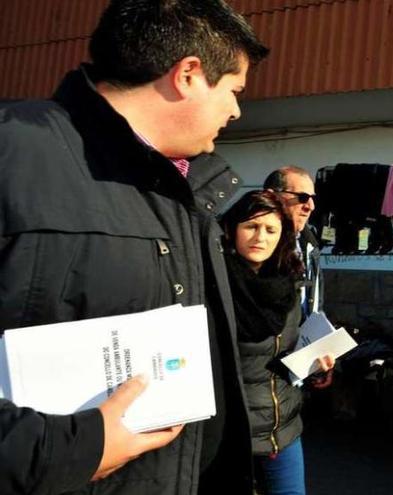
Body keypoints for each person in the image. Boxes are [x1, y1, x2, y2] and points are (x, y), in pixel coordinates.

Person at [0, 1, 268, 494]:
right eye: (234, 91)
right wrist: (63, 450)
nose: (236, 111)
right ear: (188, 74)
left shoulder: (193, 191)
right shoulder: (14, 151)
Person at [221, 190, 334, 495]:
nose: (260, 237)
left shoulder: (287, 284)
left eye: (271, 229)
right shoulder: (213, 286)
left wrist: (315, 369)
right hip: (229, 438)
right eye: (251, 226)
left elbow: (287, 354)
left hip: (283, 431)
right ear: (232, 230)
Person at [263, 167, 333, 388]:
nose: (310, 206)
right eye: (302, 197)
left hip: (299, 369)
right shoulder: (258, 248)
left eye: (312, 198)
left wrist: (319, 357)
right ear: (272, 196)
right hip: (265, 372)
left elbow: (312, 302)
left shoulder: (309, 243)